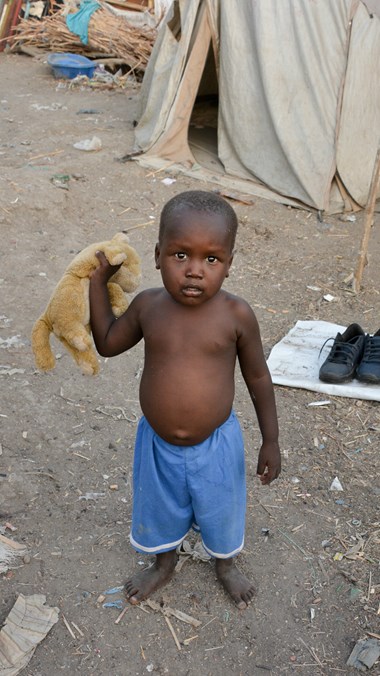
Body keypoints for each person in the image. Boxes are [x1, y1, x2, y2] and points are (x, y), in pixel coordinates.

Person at [89, 190, 281, 610]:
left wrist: (271, 440)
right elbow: (106, 343)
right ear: (157, 255)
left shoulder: (236, 315)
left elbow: (258, 378)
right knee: (159, 508)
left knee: (221, 508)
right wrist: (97, 285)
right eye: (180, 255)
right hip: (157, 446)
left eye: (211, 259)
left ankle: (225, 563)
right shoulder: (148, 307)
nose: (194, 271)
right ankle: (163, 562)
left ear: (229, 264)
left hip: (216, 445)